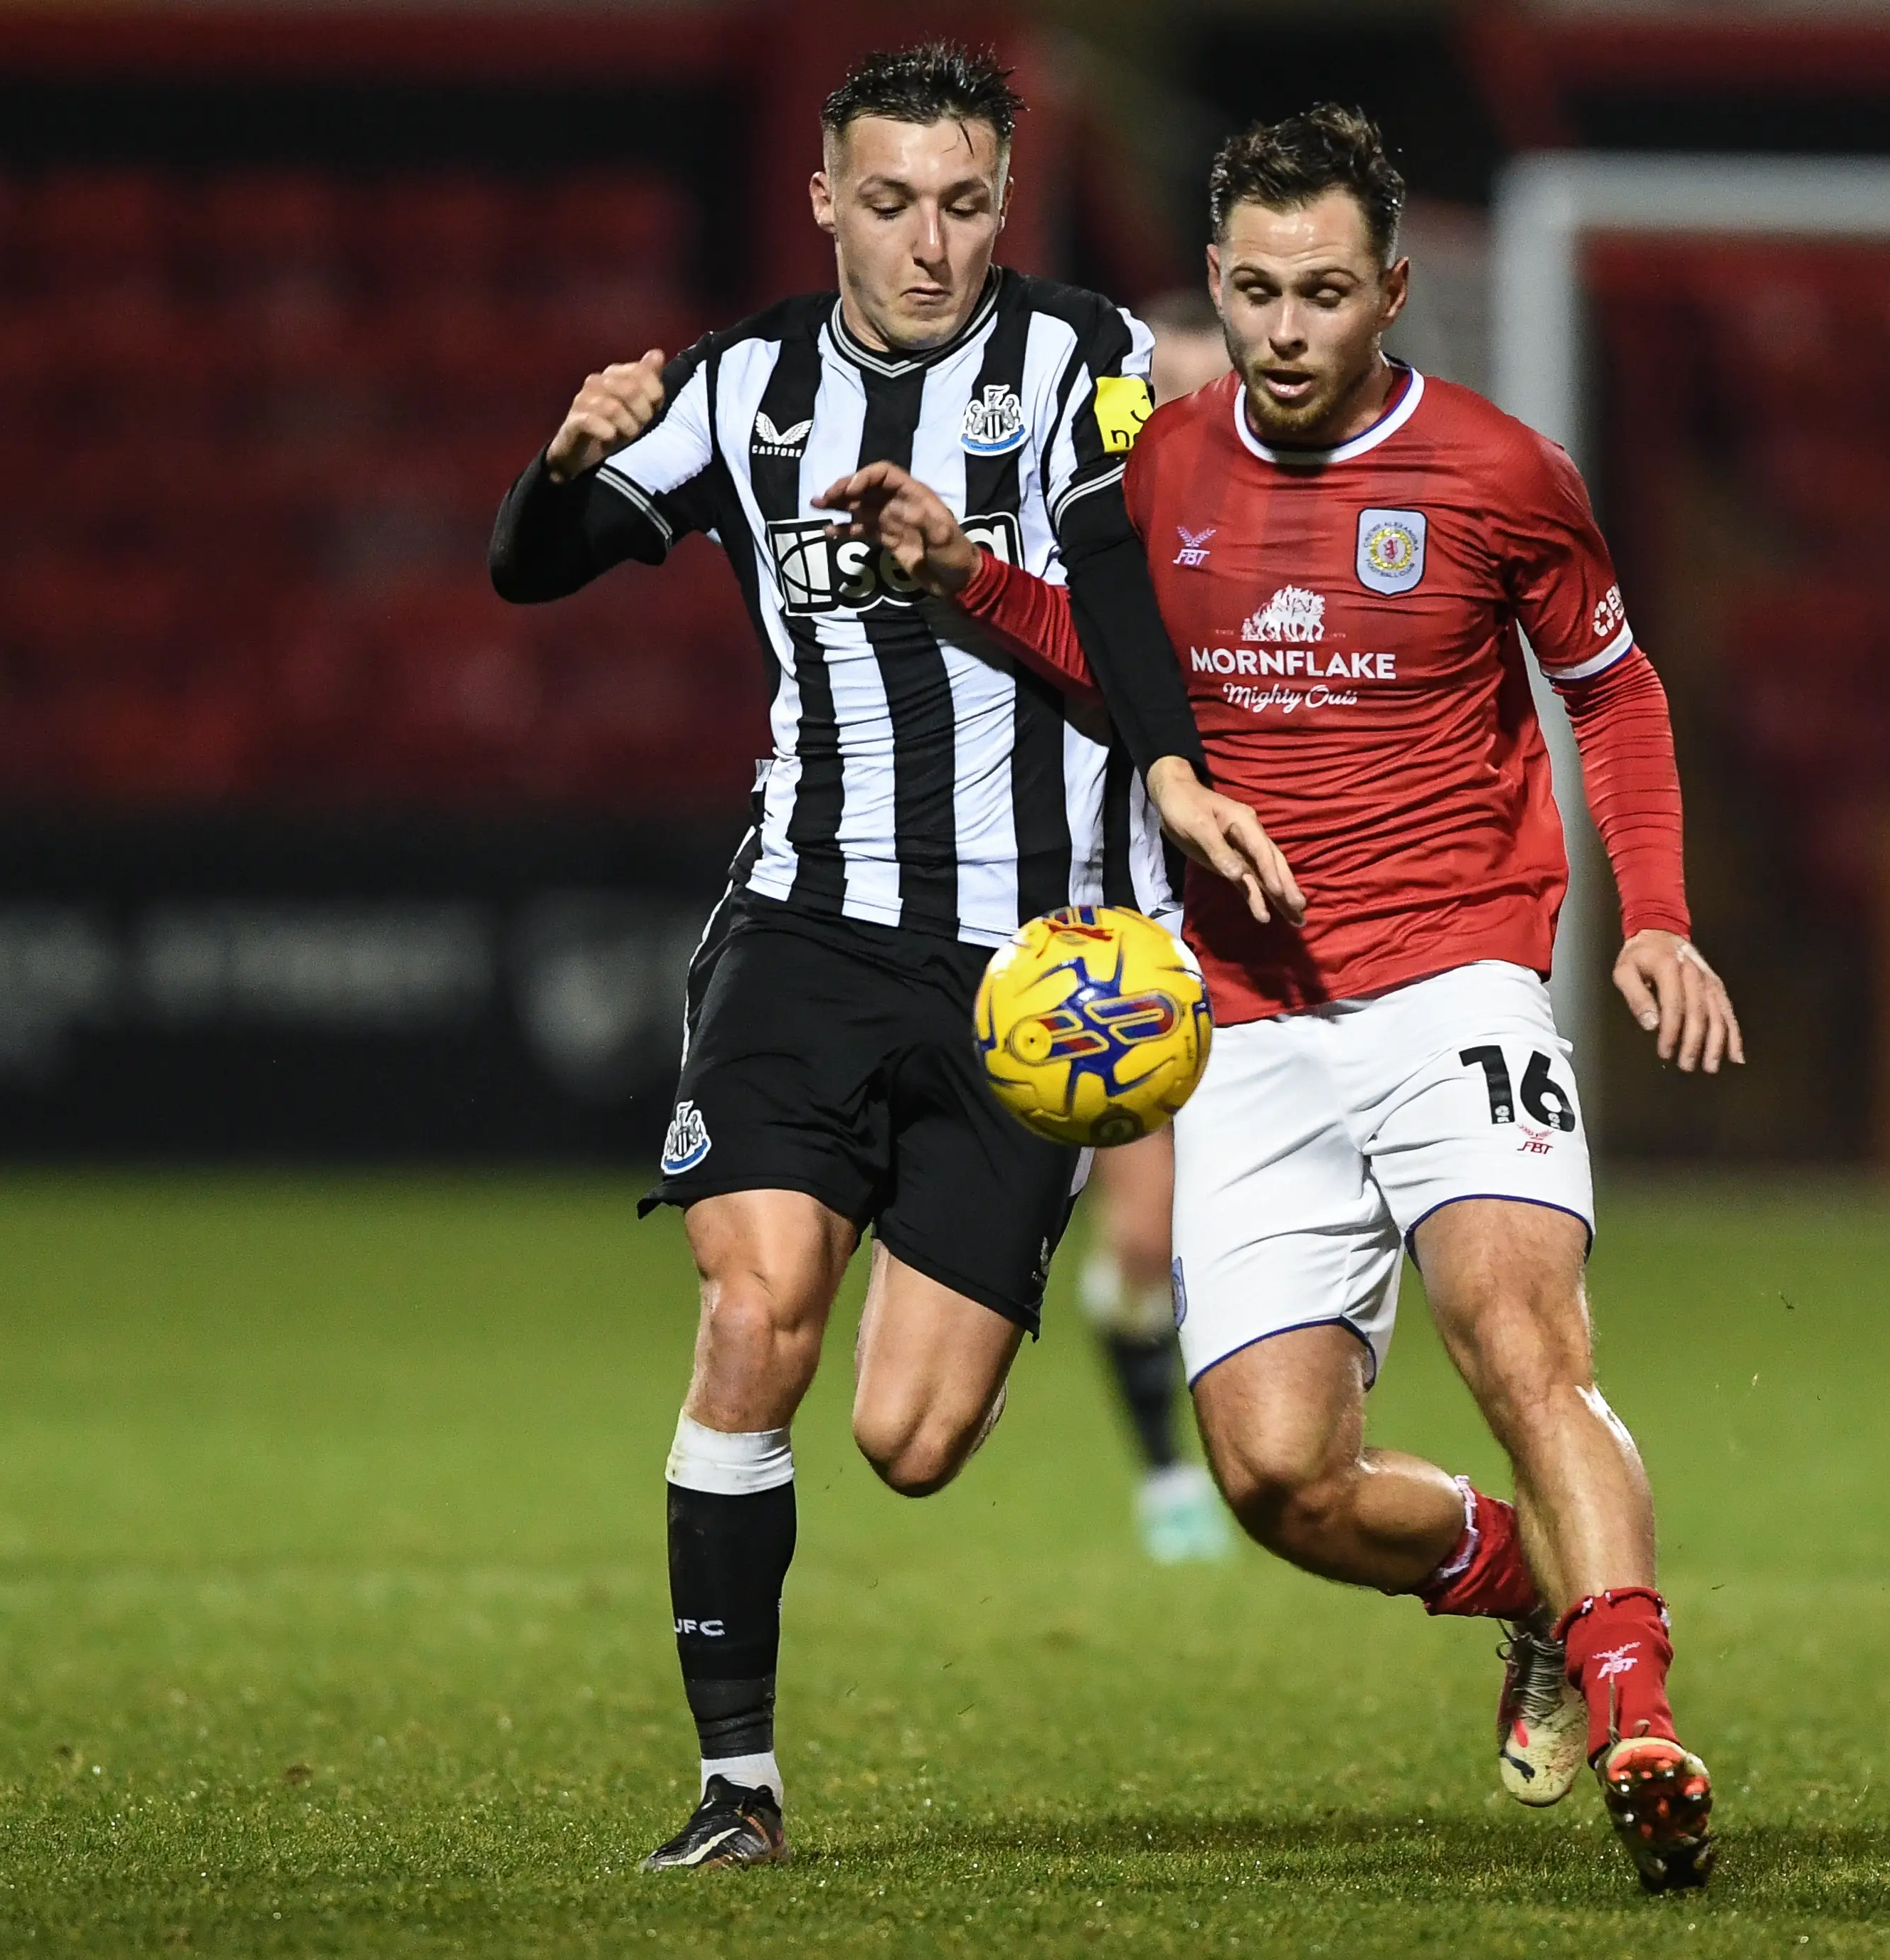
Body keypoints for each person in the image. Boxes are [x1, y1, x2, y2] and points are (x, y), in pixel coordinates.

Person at [819, 106, 1742, 1890]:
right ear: (1220, 291)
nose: (1288, 332)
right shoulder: (1161, 468)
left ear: (1392, 289)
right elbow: (1121, 669)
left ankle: (1638, 1712)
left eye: (1326, 294)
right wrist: (960, 582)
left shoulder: (1500, 473)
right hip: (1242, 1026)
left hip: (1457, 977)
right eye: (1254, 294)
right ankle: (1534, 1591)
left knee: (1516, 1340)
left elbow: (1611, 696)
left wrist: (1658, 913)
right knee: (1272, 1479)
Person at [487, 43, 1297, 1871]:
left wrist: (1167, 770)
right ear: (823, 201)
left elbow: (1116, 588)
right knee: (751, 1310)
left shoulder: (1084, 365)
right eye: (887, 201)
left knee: (911, 1439)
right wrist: (564, 460)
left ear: (1004, 203)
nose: (926, 243)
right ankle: (737, 1788)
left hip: (1038, 980)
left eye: (960, 203)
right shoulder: (740, 386)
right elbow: (531, 573)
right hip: (807, 932)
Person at [1076, 290, 1234, 1565]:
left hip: (1261, 928)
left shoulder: (1275, 544)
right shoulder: (1095, 540)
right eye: (1157, 398)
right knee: (1142, 1235)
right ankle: (1166, 1470)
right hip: (1124, 907)